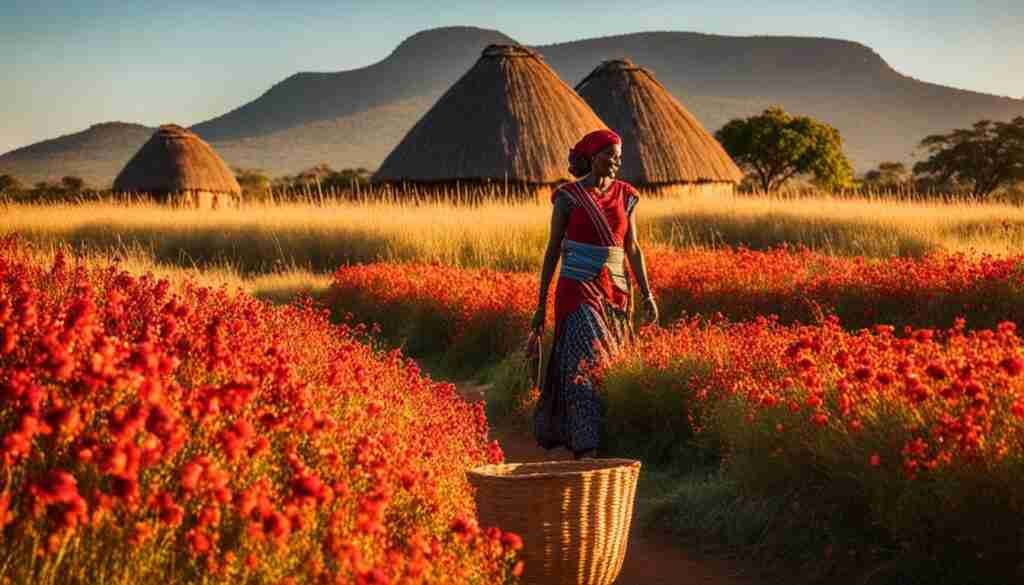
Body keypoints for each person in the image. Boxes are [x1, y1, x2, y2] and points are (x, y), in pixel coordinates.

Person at [531, 129, 658, 460]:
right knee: (587, 359)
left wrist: (647, 294)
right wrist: (540, 303)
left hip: (616, 289)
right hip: (576, 289)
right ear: (591, 157)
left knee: (612, 363)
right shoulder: (568, 198)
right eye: (609, 155)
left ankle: (607, 436)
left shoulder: (627, 196)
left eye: (619, 156)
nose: (616, 161)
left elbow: (632, 247)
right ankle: (586, 444)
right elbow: (552, 250)